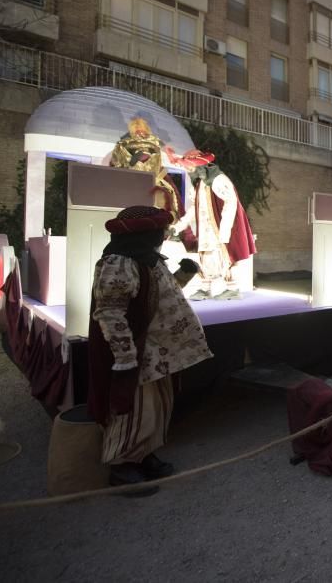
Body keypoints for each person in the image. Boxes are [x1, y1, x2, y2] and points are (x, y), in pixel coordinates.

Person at [88, 206, 212, 489]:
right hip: (139, 350)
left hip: (159, 350)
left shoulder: (149, 260)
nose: (163, 235)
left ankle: (143, 454)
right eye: (159, 231)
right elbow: (109, 312)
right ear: (145, 233)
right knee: (135, 408)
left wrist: (184, 274)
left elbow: (160, 295)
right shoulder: (118, 263)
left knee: (156, 408)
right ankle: (122, 466)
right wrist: (125, 356)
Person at [169, 148, 256, 300]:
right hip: (206, 228)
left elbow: (231, 203)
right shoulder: (199, 185)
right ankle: (205, 288)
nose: (188, 170)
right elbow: (192, 209)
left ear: (199, 166)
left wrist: (225, 231)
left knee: (224, 256)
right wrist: (178, 226)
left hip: (219, 227)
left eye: (189, 166)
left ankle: (233, 288)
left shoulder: (218, 180)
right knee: (206, 255)